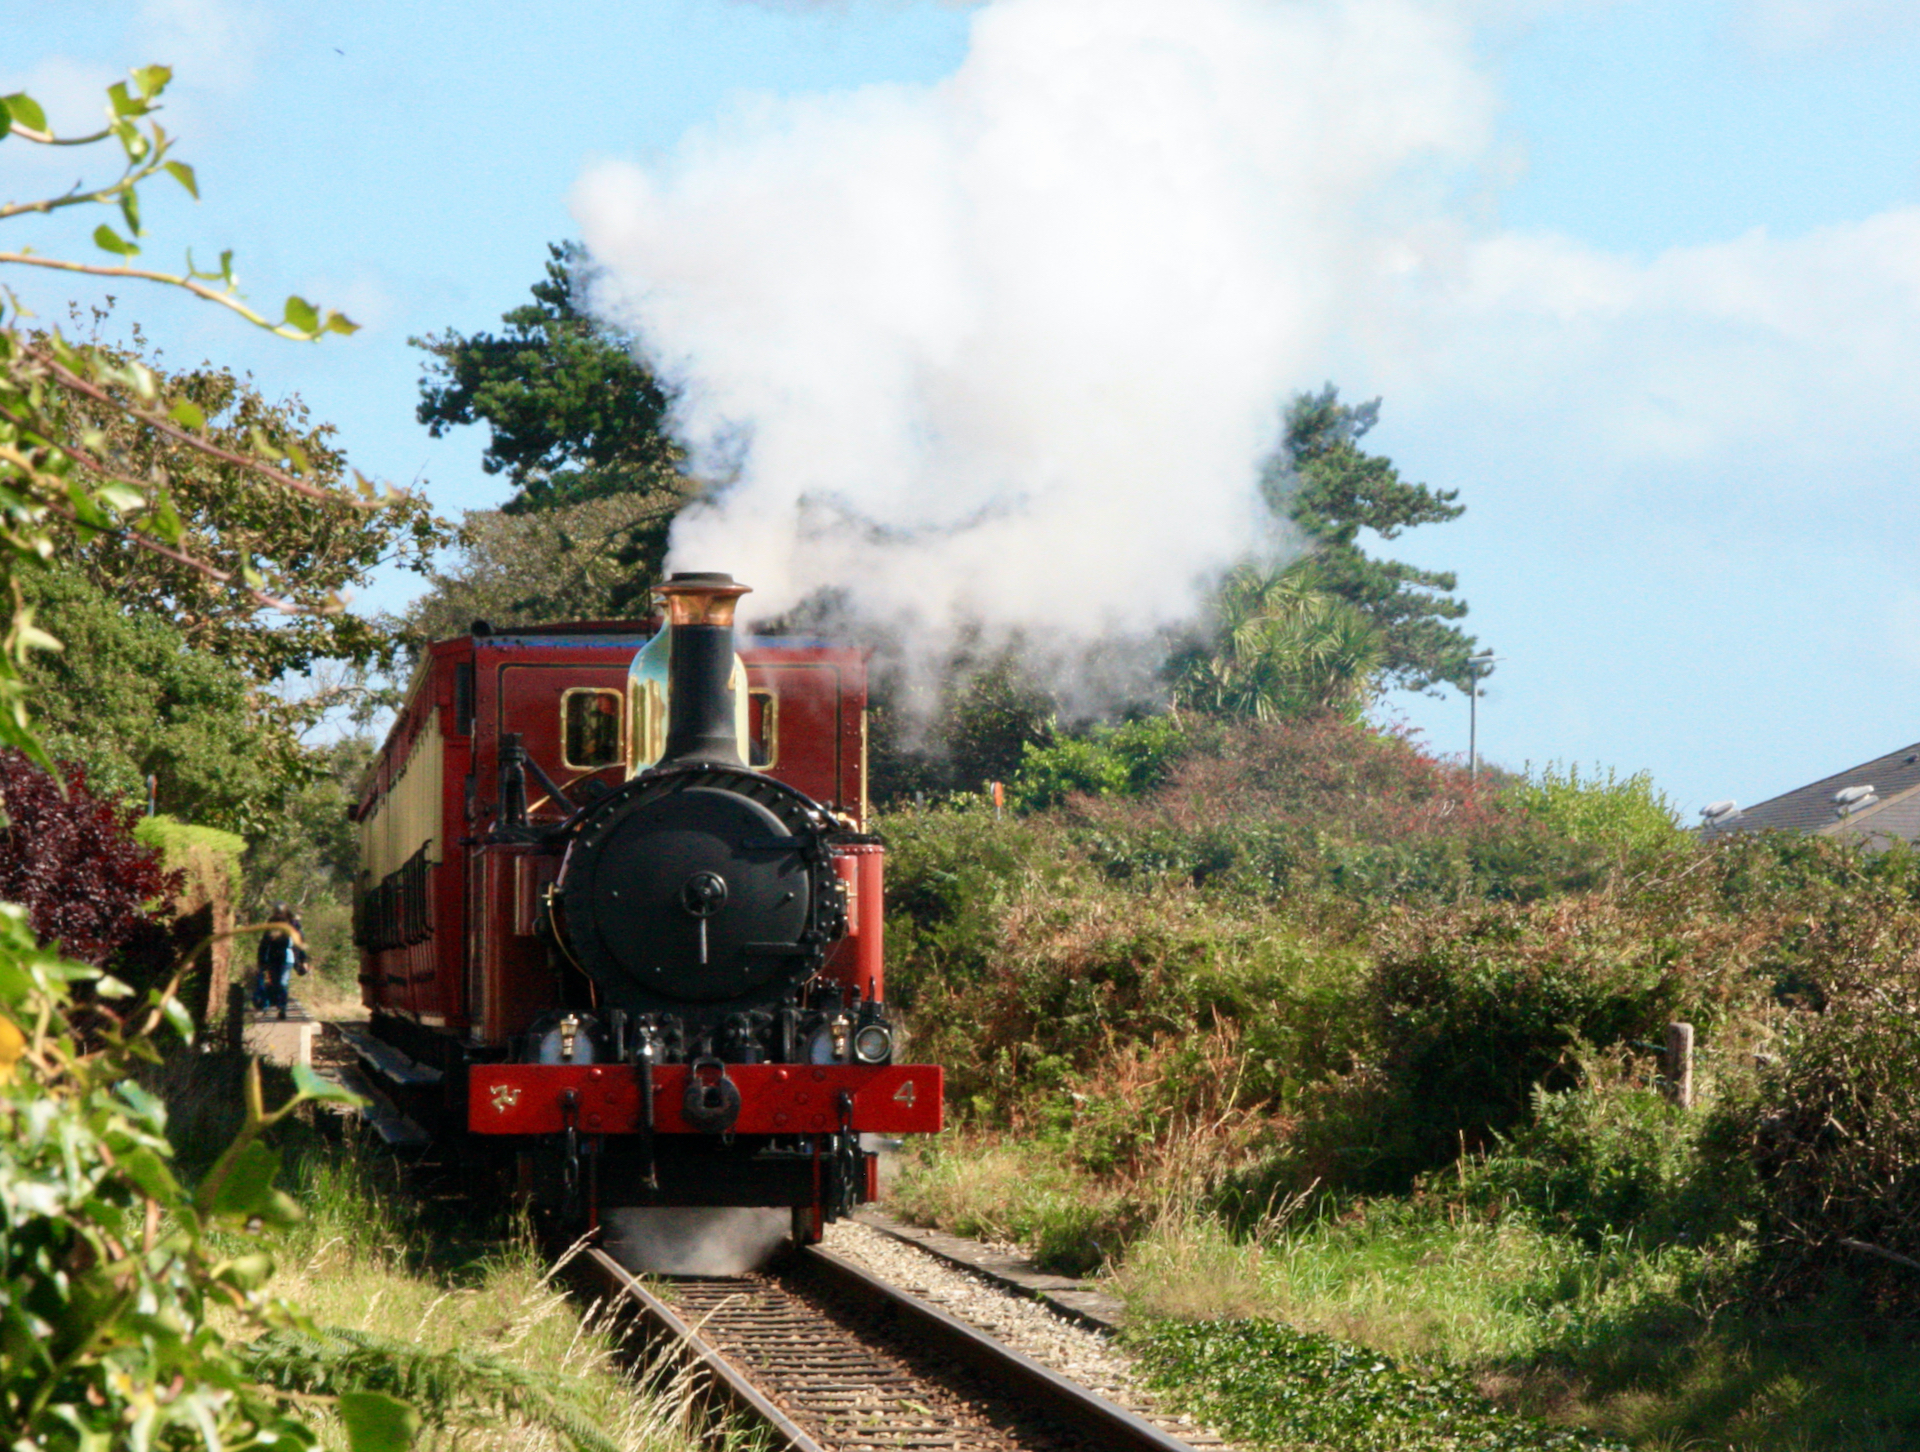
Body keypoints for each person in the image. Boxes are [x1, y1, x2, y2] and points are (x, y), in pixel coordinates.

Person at [254, 903, 308, 1020]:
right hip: (272, 957)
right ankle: (277, 1003)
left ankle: (282, 1008)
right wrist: (260, 961)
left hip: (287, 957)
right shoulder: (271, 924)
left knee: (283, 983)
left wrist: (303, 960)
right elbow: (264, 943)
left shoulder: (293, 924)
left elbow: (299, 943)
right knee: (274, 983)